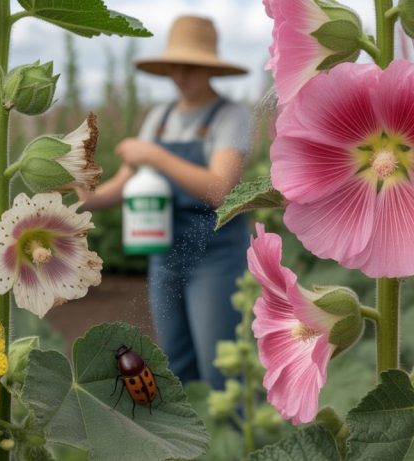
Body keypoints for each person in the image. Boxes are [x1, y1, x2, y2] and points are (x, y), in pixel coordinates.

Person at [78, 15, 252, 390]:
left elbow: (220, 189)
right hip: (165, 252)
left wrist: (153, 156)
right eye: (175, 65)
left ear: (209, 69)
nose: (180, 74)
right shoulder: (159, 118)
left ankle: (233, 442)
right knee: (174, 363)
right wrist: (83, 191)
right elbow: (124, 185)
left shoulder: (231, 116)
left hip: (216, 255)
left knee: (220, 365)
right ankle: (192, 443)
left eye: (190, 65)